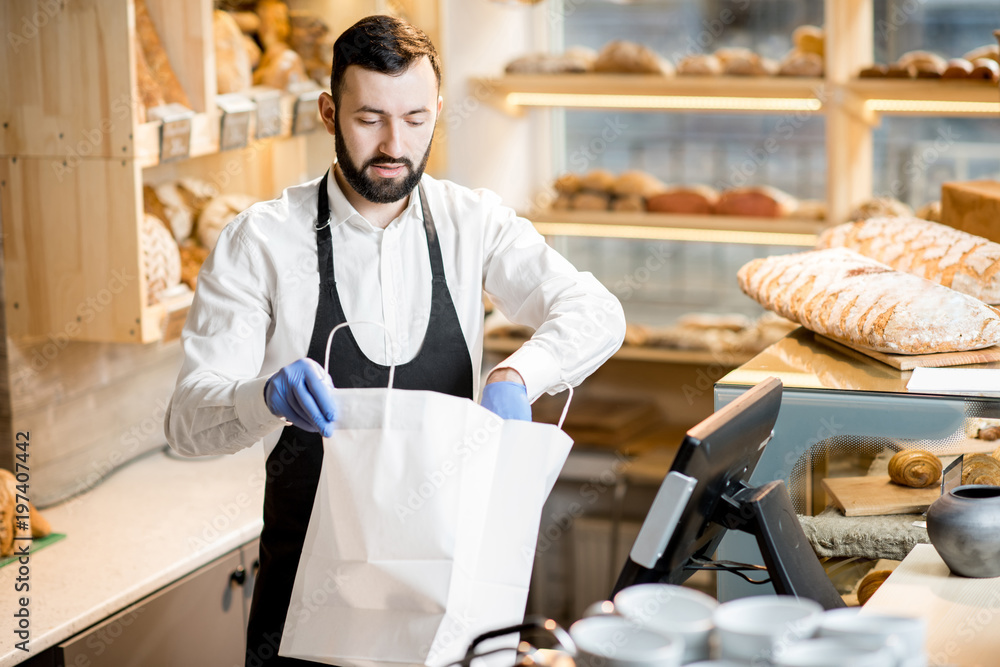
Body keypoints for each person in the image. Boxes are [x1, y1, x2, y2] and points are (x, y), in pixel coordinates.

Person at [164, 14, 625, 666]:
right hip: (305, 598)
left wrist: (520, 374)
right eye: (368, 118)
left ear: (438, 110)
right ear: (329, 112)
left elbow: (597, 311)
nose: (393, 143)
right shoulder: (262, 240)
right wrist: (261, 394)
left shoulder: (473, 223)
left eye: (414, 118)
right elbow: (186, 421)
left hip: (442, 590)